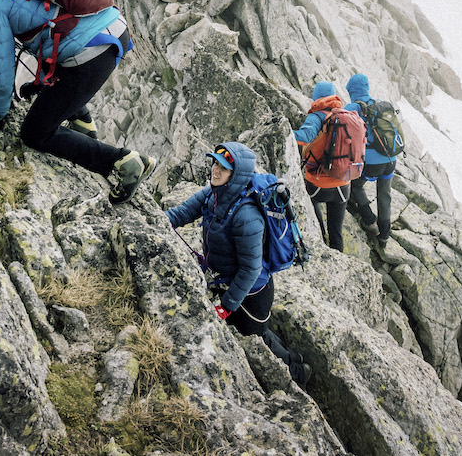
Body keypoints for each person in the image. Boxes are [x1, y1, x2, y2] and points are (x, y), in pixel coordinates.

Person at [0, 0, 150, 201]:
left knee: (35, 133)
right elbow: (52, 34)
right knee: (54, 68)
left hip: (93, 52)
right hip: (113, 27)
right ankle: (82, 122)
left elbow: (0, 71)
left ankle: (124, 162)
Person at [165, 142, 311, 387]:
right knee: (260, 331)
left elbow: (251, 269)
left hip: (253, 292)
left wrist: (227, 305)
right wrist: (155, 219)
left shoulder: (247, 217)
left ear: (236, 175)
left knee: (257, 336)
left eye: (223, 168)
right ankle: (294, 356)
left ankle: (298, 371)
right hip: (230, 282)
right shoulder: (213, 193)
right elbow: (181, 213)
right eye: (214, 163)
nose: (215, 170)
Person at [343, 73, 396, 248]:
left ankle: (369, 220)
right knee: (384, 194)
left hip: (372, 163)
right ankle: (384, 234)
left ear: (352, 90)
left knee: (355, 185)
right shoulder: (380, 104)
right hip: (391, 159)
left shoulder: (353, 107)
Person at [293, 80, 348, 251]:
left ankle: (320, 246)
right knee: (336, 232)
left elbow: (305, 137)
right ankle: (339, 264)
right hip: (343, 183)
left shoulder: (317, 116)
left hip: (318, 184)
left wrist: (280, 128)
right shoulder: (345, 114)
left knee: (314, 222)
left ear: (316, 96)